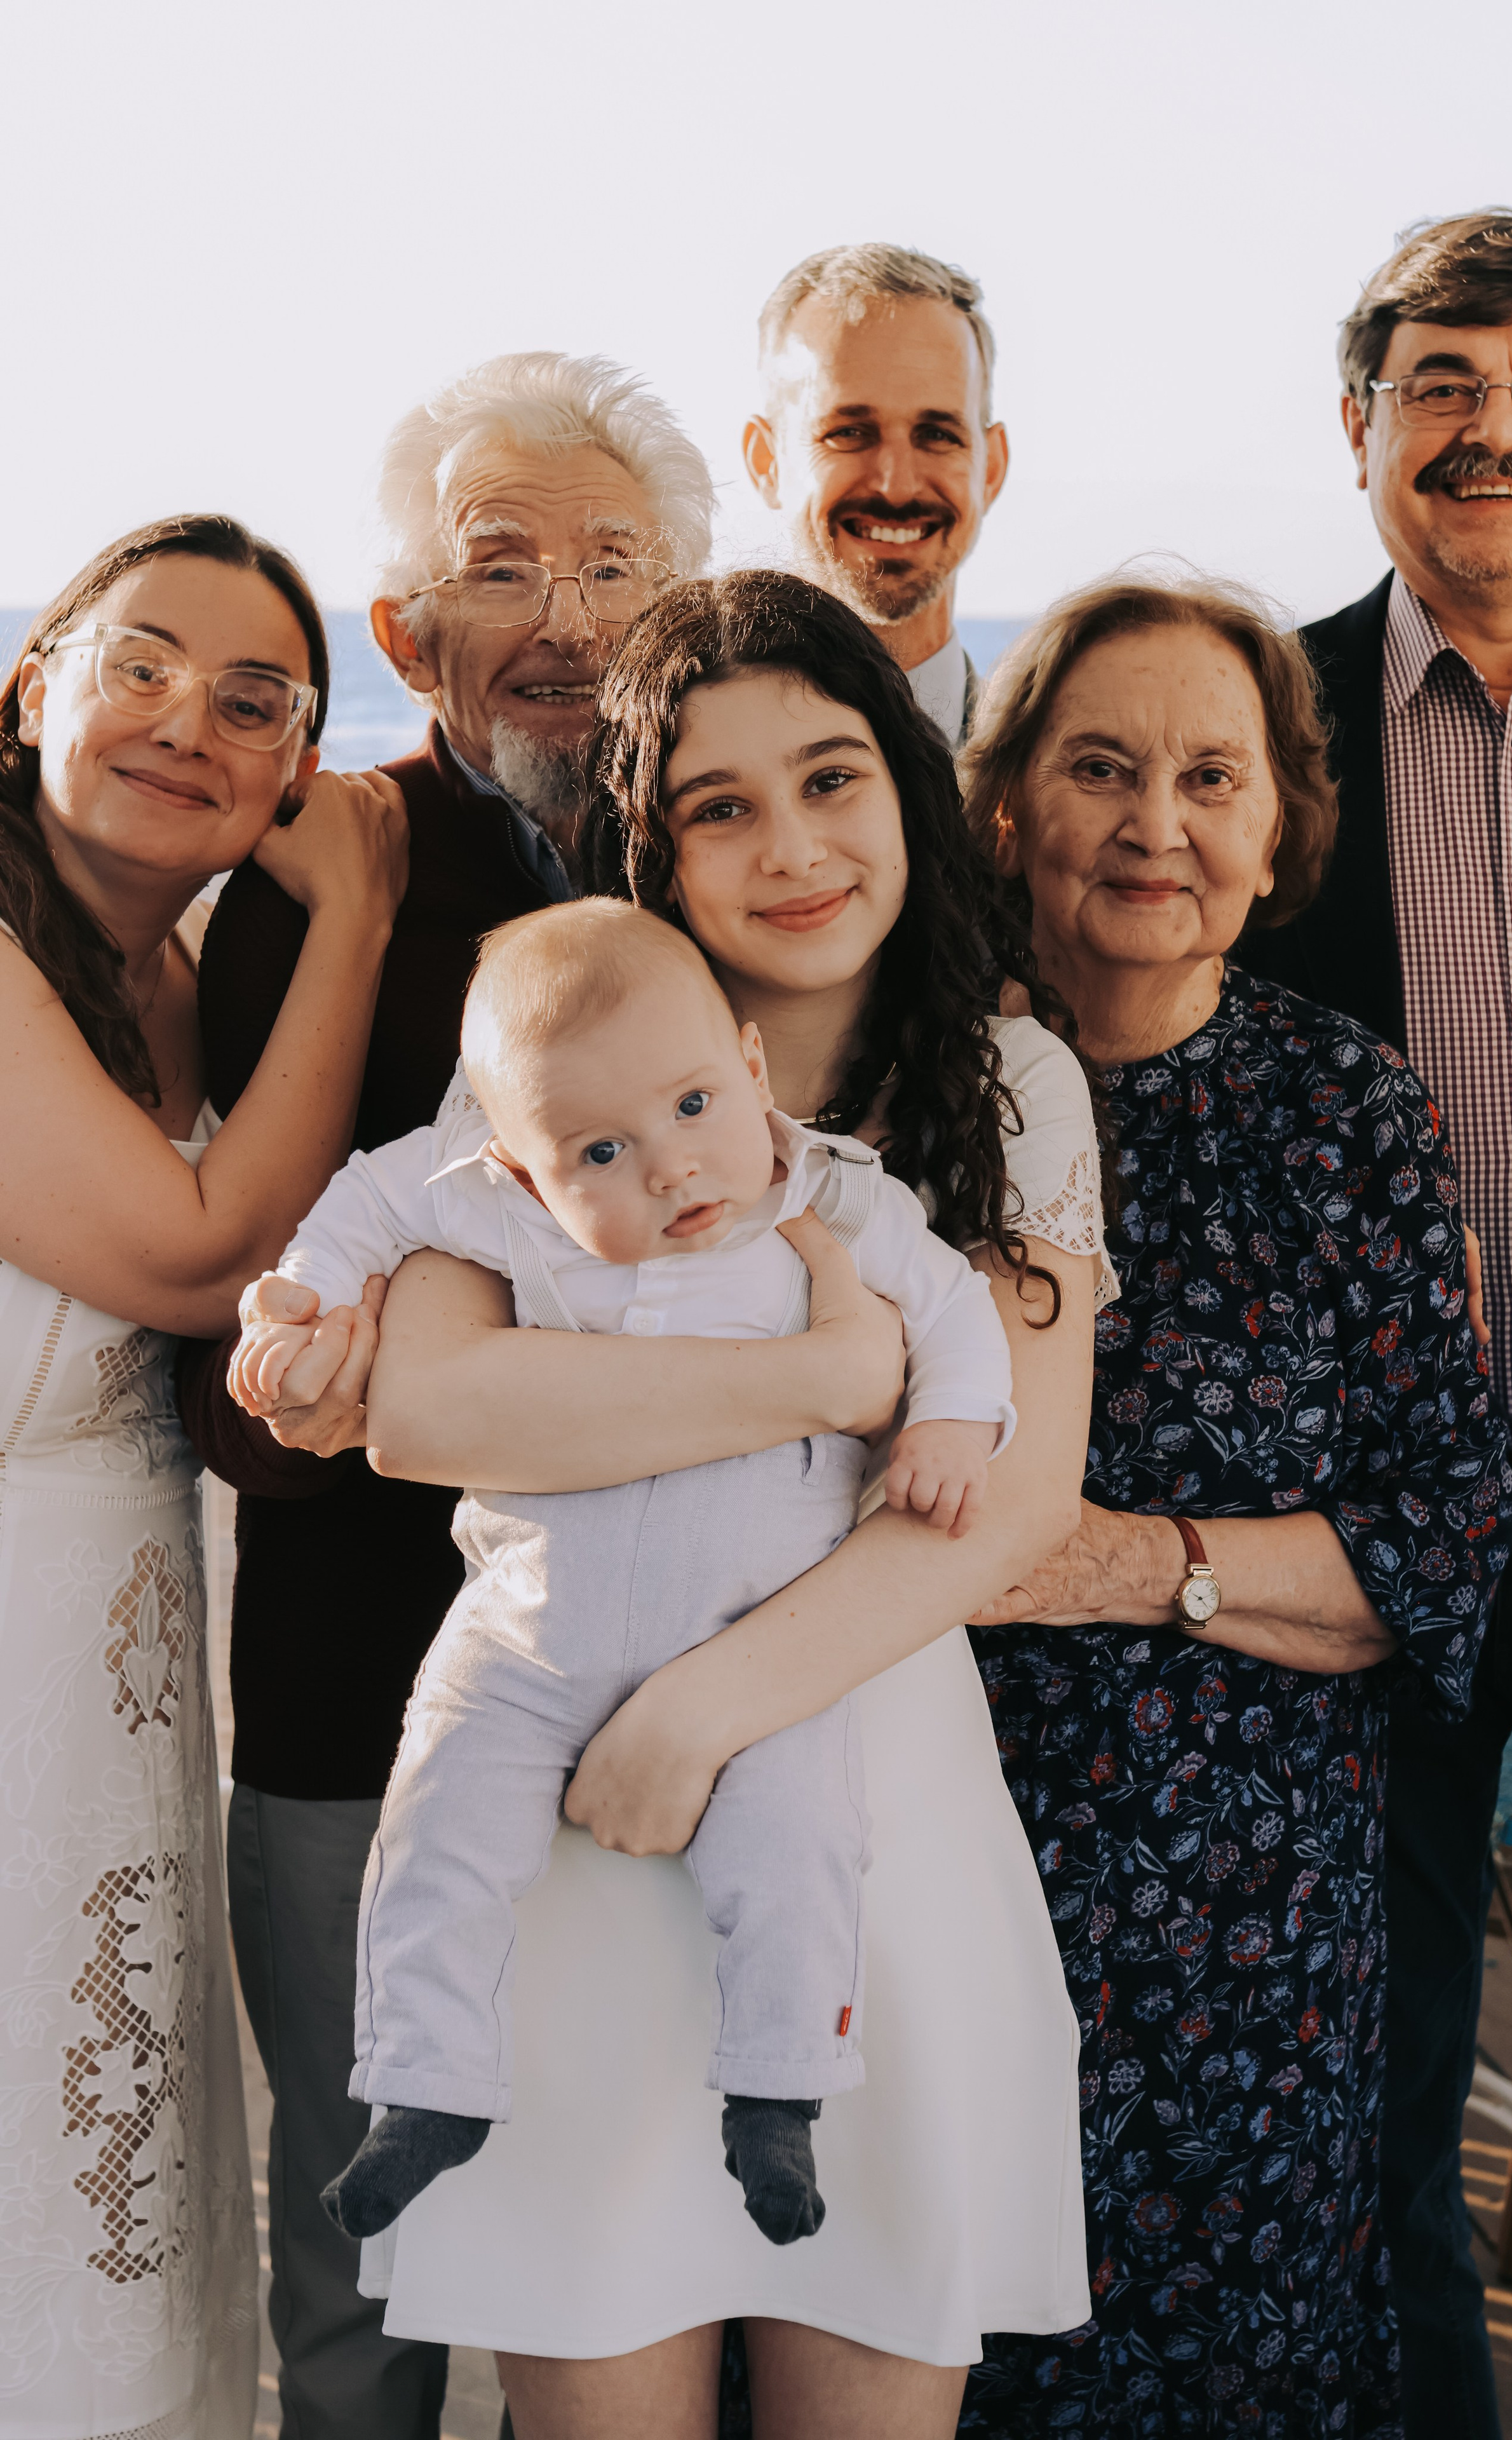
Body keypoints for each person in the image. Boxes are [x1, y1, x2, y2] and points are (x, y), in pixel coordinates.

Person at [245, 568, 1113, 2439]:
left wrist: (700, 1711)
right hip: (574, 1843)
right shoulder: (551, 1069)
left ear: (902, 785)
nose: (790, 845)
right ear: (647, 844)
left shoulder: (1009, 1081)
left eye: (829, 777)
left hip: (865, 1823)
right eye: (720, 805)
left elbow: (1008, 1492)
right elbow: (438, 1405)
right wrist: (826, 1374)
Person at [172, 353, 715, 2439]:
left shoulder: (744, 862)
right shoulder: (328, 881)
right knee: (361, 2280)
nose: (567, 622)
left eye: (613, 566)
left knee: (650, 2260)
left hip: (679, 1730)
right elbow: (241, 1359)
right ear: (410, 635)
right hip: (355, 1712)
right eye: (505, 569)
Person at [950, 574, 1512, 2434]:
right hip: (920, 1870)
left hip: (1247, 1922)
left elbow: (1438, 1532)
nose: (1154, 823)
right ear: (1007, 799)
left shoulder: (1348, 1107)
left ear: (1280, 826)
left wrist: (1128, 1563)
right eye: (1099, 766)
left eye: (1211, 774)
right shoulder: (905, 1093)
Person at [237, 896, 1015, 2246]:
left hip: (754, 1637)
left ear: (752, 1073)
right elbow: (366, 1197)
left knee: (799, 1844)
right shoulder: (501, 1214)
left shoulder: (829, 1194)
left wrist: (950, 1420)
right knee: (433, 1819)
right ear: (524, 1172)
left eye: (695, 1106)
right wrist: (298, 1301)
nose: (668, 1167)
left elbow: (951, 1311)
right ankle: (426, 2087)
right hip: (533, 1630)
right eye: (601, 1148)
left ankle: (777, 2097)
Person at [1241, 207, 1512, 2436]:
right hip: (1353, 1547)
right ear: (1363, 427)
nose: (1499, 431)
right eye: (1444, 386)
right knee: (1370, 2120)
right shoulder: (1253, 732)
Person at [0, 514, 407, 2440]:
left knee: (120, 2176)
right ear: (34, 682)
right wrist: (360, 918)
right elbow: (189, 1252)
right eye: (140, 661)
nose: (187, 719)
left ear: (292, 769)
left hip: (119, 1684)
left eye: (255, 701)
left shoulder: (162, 979)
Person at [745, 244, 1009, 748]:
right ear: (767, 462)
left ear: (991, 468)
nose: (897, 485)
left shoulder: (1050, 786)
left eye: (938, 435)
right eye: (849, 433)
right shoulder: (675, 767)